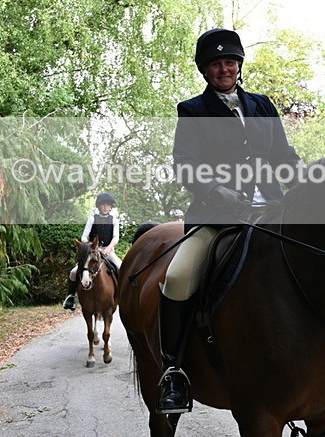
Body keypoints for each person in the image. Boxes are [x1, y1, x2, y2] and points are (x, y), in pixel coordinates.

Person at [155, 28, 303, 414]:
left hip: (272, 212)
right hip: (219, 218)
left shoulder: (262, 106)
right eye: (217, 64)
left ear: (239, 66)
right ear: (206, 71)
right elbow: (184, 164)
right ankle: (172, 373)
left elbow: (283, 156)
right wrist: (213, 190)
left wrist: (307, 179)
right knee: (178, 277)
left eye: (230, 62)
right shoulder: (193, 110)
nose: (225, 68)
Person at [63, 192, 121, 310]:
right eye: (103, 205)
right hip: (92, 251)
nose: (105, 207)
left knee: (121, 268)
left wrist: (109, 248)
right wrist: (88, 245)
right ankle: (71, 297)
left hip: (108, 251)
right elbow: (84, 236)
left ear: (111, 206)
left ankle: (122, 296)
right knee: (73, 272)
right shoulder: (93, 218)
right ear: (99, 206)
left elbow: (116, 237)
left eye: (107, 205)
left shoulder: (114, 220)